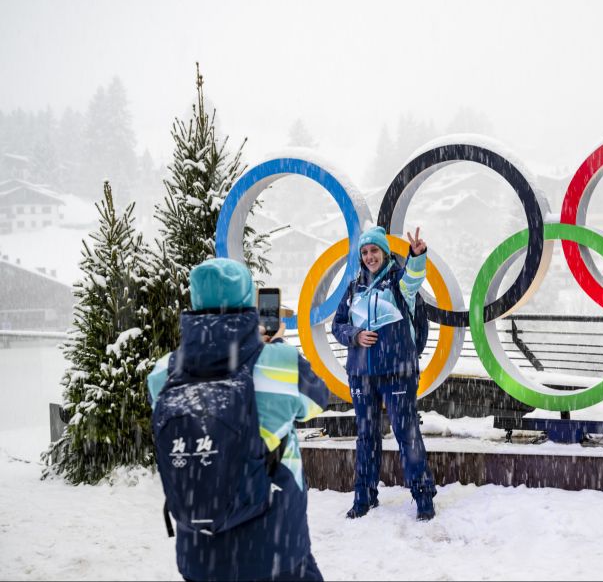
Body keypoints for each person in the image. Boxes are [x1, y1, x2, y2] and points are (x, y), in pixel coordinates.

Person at [147, 258, 330, 581]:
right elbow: (317, 401)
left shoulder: (164, 371)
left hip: (200, 556)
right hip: (275, 549)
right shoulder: (280, 363)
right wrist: (274, 346)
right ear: (248, 300)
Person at [332, 225, 437, 521]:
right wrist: (355, 335)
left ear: (384, 252)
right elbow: (338, 325)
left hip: (397, 372)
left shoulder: (398, 283)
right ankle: (364, 497)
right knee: (366, 436)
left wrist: (416, 257)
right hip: (362, 374)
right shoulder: (354, 288)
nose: (369, 256)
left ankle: (423, 497)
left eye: (374, 250)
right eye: (364, 252)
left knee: (406, 433)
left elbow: (415, 279)